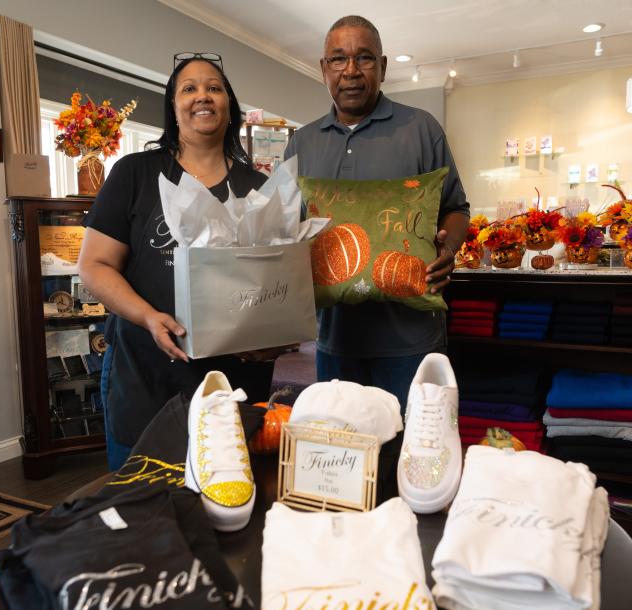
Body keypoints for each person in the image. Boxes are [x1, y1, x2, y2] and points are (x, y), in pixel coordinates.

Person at [79, 53, 283, 470]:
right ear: (173, 107)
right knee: (142, 504)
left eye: (214, 87)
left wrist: (271, 337)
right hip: (146, 377)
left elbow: (275, 285)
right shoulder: (134, 173)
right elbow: (95, 266)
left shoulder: (259, 187)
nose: (202, 96)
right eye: (188, 88)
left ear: (230, 105)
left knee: (231, 502)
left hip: (234, 383)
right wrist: (149, 316)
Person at [284, 16, 470, 413]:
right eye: (338, 59)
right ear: (323, 69)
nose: (350, 71)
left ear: (382, 67)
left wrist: (448, 248)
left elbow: (456, 208)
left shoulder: (421, 128)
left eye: (364, 58)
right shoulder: (303, 142)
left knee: (412, 455)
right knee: (345, 454)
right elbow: (286, 230)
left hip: (412, 341)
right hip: (335, 341)